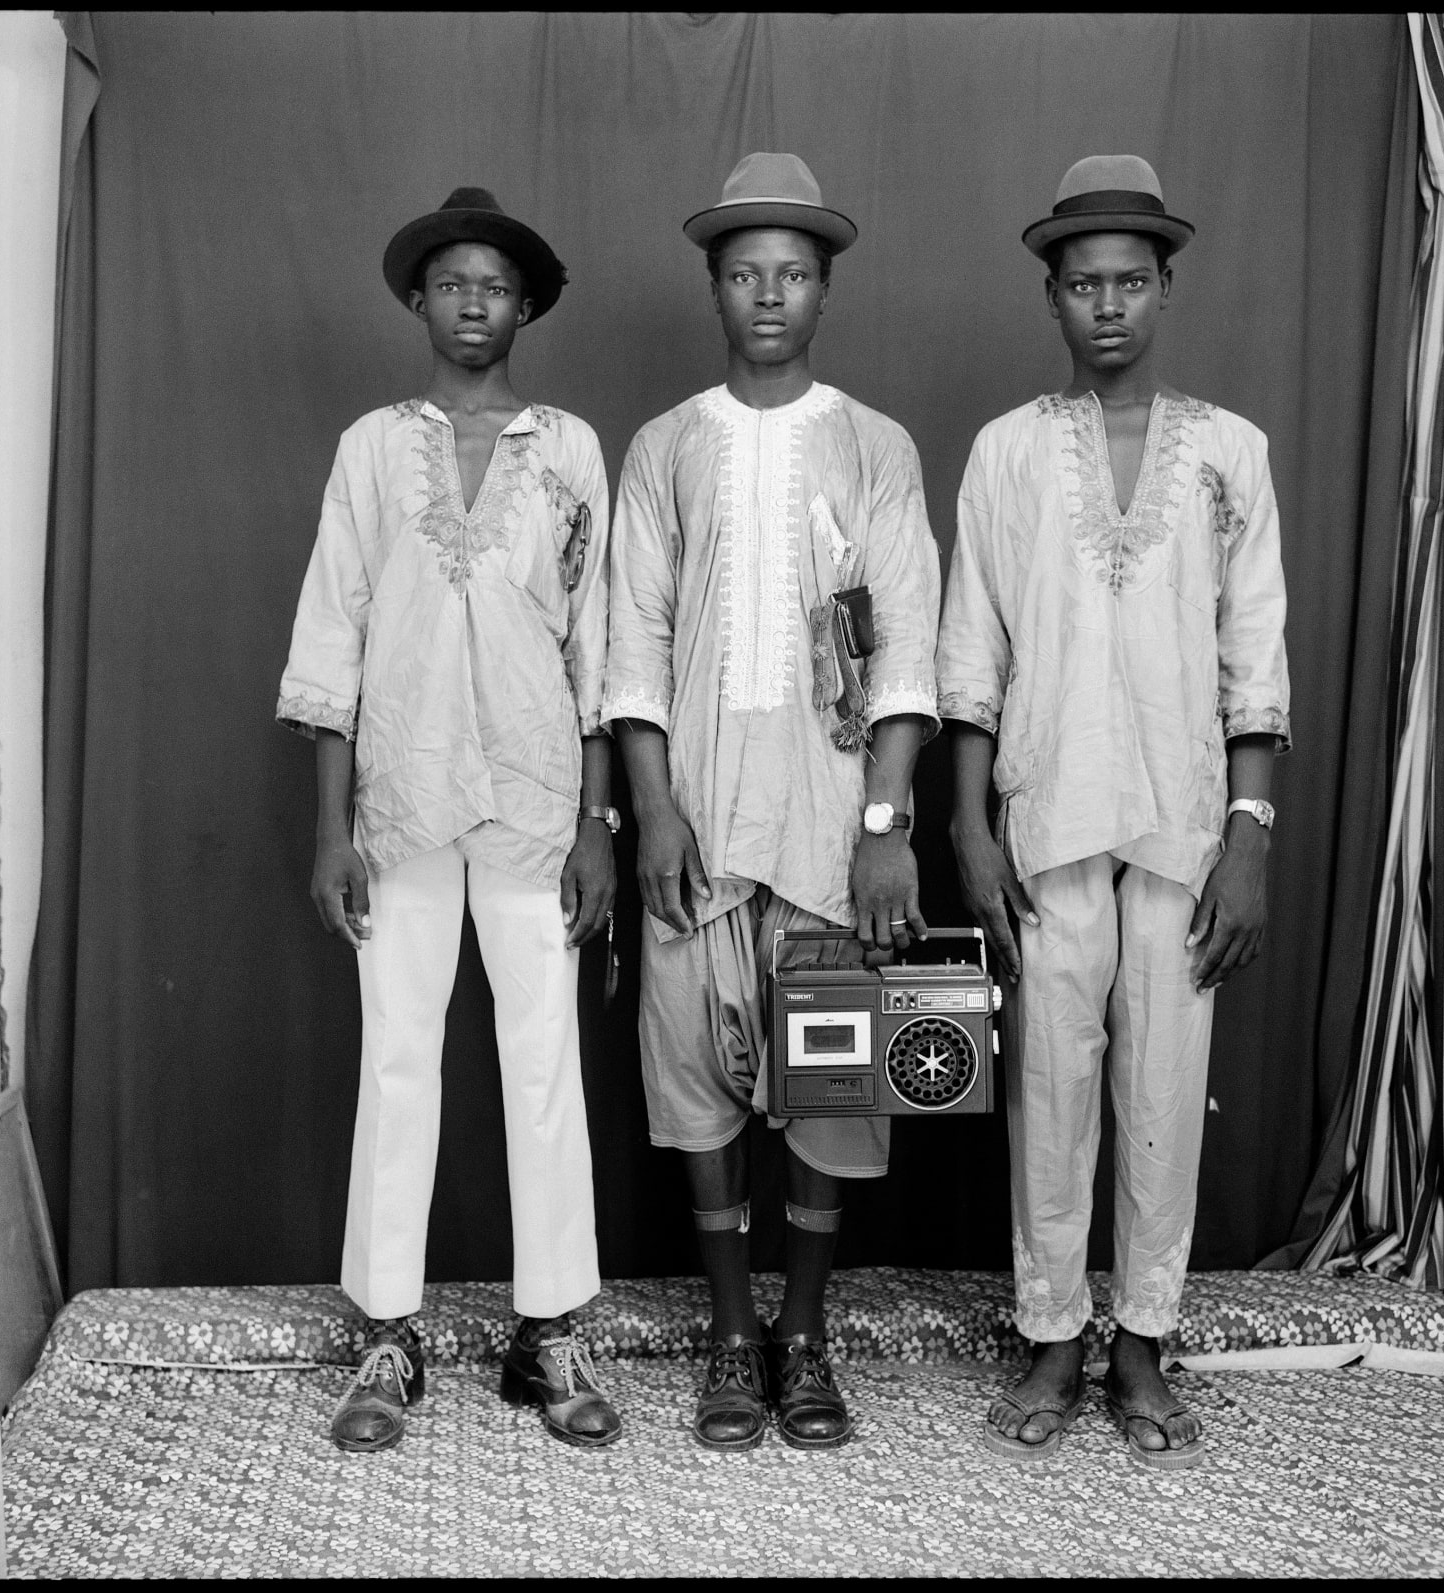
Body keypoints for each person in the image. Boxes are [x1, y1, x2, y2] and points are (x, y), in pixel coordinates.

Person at [937, 155, 1290, 1469]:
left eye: (1130, 281)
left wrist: (1249, 839)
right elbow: (970, 652)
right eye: (1083, 284)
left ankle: (1142, 1339)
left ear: (1165, 286)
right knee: (1048, 1085)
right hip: (1046, 816)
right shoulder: (1009, 452)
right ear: (1051, 295)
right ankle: (1050, 1333)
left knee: (1163, 1086)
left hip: (1185, 828)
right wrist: (967, 828)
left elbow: (1254, 660)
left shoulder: (1230, 454)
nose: (1107, 306)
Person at [276, 187, 624, 1452]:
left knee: (544, 1062)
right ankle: (386, 1334)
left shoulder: (568, 449)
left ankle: (551, 1334)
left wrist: (597, 820)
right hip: (402, 799)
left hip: (535, 800)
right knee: (398, 1059)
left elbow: (596, 640)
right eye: (453, 283)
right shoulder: (375, 449)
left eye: (496, 286)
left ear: (526, 306)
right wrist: (333, 829)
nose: (475, 303)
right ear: (419, 300)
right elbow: (335, 629)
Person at [604, 153, 942, 1452]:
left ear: (824, 289)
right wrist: (654, 809)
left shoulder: (874, 446)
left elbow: (904, 651)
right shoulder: (664, 448)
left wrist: (884, 826)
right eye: (744, 272)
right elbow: (632, 647)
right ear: (712, 285)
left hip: (827, 832)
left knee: (832, 1093)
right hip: (696, 828)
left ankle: (804, 1334)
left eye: (792, 273)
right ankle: (731, 1335)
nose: (767, 295)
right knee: (696, 1090)